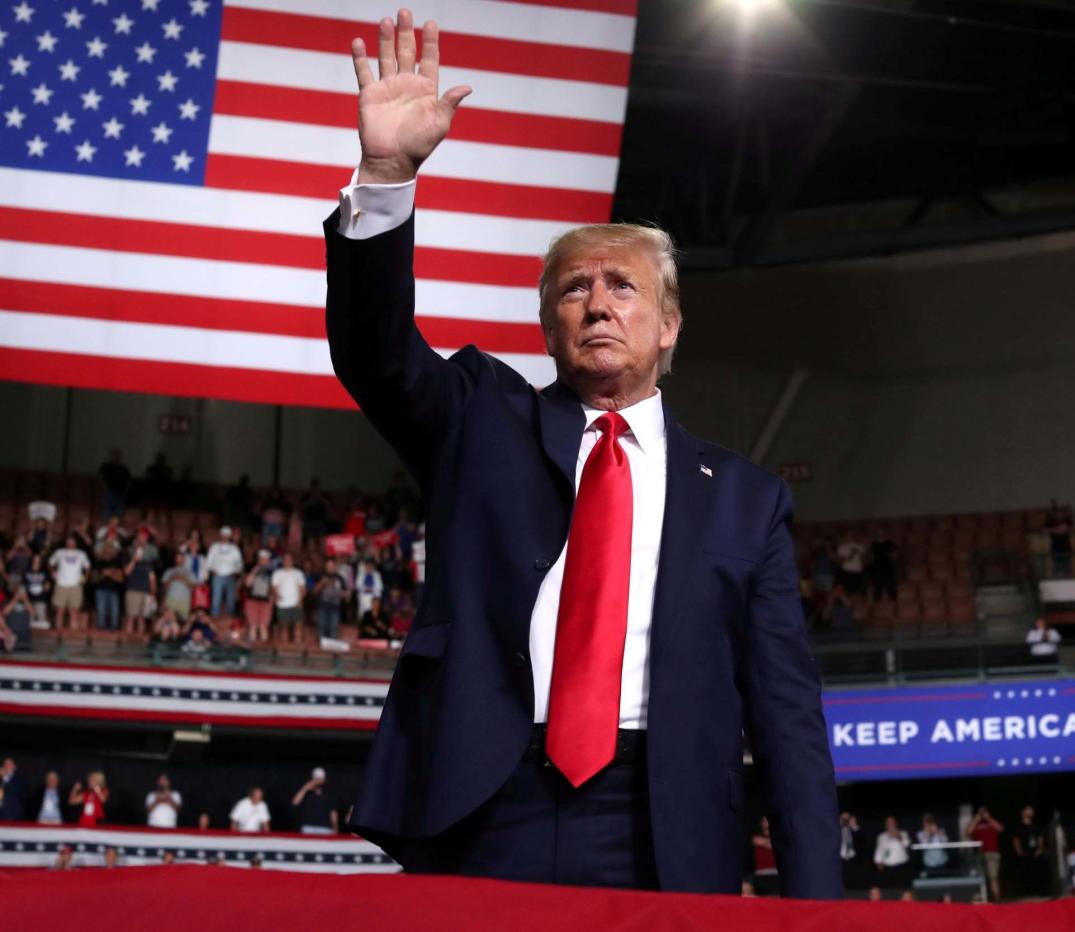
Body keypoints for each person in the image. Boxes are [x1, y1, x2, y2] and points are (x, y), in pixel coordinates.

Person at [328, 10, 840, 899]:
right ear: (548, 326)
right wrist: (383, 178)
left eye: (623, 286)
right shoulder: (481, 419)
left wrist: (817, 911)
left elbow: (787, 718)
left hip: (666, 825)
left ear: (669, 326)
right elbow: (376, 355)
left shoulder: (744, 501)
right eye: (574, 289)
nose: (598, 303)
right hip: (486, 807)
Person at [49, 537, 91, 631]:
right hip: (61, 584)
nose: (70, 544)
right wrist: (53, 572)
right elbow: (51, 562)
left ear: (75, 543)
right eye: (68, 542)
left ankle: (73, 634)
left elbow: (88, 567)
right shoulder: (59, 552)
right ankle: (58, 634)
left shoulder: (81, 554)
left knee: (74, 611)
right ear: (66, 543)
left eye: (72, 542)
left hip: (75, 586)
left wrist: (86, 577)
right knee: (60, 610)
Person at [122, 533, 158, 636]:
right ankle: (127, 643)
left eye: (144, 540)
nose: (141, 542)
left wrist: (153, 592)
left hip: (145, 591)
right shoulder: (129, 558)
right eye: (139, 539)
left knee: (142, 619)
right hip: (133, 590)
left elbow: (152, 578)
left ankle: (140, 645)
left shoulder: (148, 562)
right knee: (131, 618)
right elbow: (126, 572)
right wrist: (134, 560)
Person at [205, 527, 243, 619]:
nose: (225, 537)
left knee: (231, 601)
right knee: (216, 601)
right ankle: (214, 621)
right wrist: (213, 570)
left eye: (227, 535)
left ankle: (231, 622)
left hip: (230, 576)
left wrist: (235, 572)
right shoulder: (214, 546)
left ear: (229, 536)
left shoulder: (235, 548)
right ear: (220, 535)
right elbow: (209, 562)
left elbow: (239, 564)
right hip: (217, 576)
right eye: (223, 534)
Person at [966, 806, 1003, 901]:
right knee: (981, 877)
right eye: (981, 813)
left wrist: (988, 818)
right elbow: (968, 832)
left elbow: (1000, 829)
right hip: (979, 854)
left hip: (992, 853)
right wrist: (975, 819)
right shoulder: (976, 824)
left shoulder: (991, 822)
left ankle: (997, 899)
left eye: (984, 812)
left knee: (993, 877)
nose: (982, 815)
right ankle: (985, 898)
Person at [270, 553, 307, 645]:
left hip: (296, 603)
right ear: (283, 561)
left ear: (292, 561)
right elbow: (274, 588)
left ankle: (297, 646)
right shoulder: (277, 573)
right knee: (284, 627)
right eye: (285, 559)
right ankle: (284, 647)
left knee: (298, 625)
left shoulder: (298, 573)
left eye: (289, 559)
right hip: (282, 604)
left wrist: (300, 600)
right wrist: (277, 596)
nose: (287, 561)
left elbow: (303, 588)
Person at [1010, 805, 1046, 898]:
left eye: (1031, 810)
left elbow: (1040, 838)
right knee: (1024, 873)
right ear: (1022, 813)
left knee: (1036, 873)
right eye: (1028, 810)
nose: (1030, 812)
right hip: (1023, 854)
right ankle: (1025, 893)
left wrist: (1040, 849)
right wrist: (1019, 851)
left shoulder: (1035, 826)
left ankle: (1036, 892)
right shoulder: (1018, 826)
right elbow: (1015, 839)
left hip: (1034, 853)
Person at [292, 766, 339, 834]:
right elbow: (295, 803)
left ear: (324, 779)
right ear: (312, 778)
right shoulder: (306, 793)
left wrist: (335, 828)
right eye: (316, 778)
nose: (318, 780)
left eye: (320, 778)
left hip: (325, 828)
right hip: (308, 827)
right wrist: (305, 788)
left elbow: (333, 812)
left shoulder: (329, 794)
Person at [242, 549, 275, 643]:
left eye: (266, 559)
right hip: (252, 600)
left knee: (263, 626)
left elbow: (273, 588)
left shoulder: (272, 572)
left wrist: (271, 601)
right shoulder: (251, 568)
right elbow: (247, 583)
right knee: (253, 625)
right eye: (262, 559)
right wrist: (255, 570)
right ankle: (252, 648)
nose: (264, 561)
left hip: (266, 601)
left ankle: (263, 650)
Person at [92, 540, 125, 632]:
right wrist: (103, 575)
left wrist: (110, 575)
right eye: (107, 547)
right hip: (100, 590)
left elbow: (121, 579)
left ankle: (114, 632)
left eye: (111, 547)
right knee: (101, 612)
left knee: (115, 612)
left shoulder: (117, 562)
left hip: (114, 590)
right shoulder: (98, 562)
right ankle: (101, 632)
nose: (108, 549)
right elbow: (93, 579)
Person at [313, 558, 346, 642]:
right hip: (322, 606)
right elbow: (314, 591)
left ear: (335, 567)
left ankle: (332, 650)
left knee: (333, 628)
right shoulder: (320, 575)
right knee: (322, 627)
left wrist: (336, 590)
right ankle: (322, 650)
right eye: (328, 566)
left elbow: (346, 594)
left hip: (335, 607)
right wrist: (321, 583)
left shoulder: (340, 578)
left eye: (331, 566)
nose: (330, 568)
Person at [873, 815, 911, 883]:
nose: (890, 824)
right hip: (887, 867)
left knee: (903, 887)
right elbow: (879, 851)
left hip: (901, 865)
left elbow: (907, 844)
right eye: (888, 822)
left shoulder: (903, 833)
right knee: (889, 889)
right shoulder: (881, 836)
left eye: (892, 822)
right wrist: (878, 862)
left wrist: (898, 836)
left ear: (896, 823)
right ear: (886, 824)